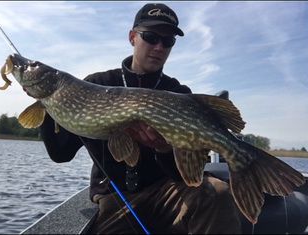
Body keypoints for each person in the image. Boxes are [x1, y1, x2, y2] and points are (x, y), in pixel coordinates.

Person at [38, 3, 241, 234]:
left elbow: (185, 174)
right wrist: (48, 104)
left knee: (218, 193)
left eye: (168, 41)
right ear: (132, 37)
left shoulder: (179, 92)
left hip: (167, 192)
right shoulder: (96, 85)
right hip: (116, 199)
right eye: (151, 37)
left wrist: (164, 150)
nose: (159, 47)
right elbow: (61, 154)